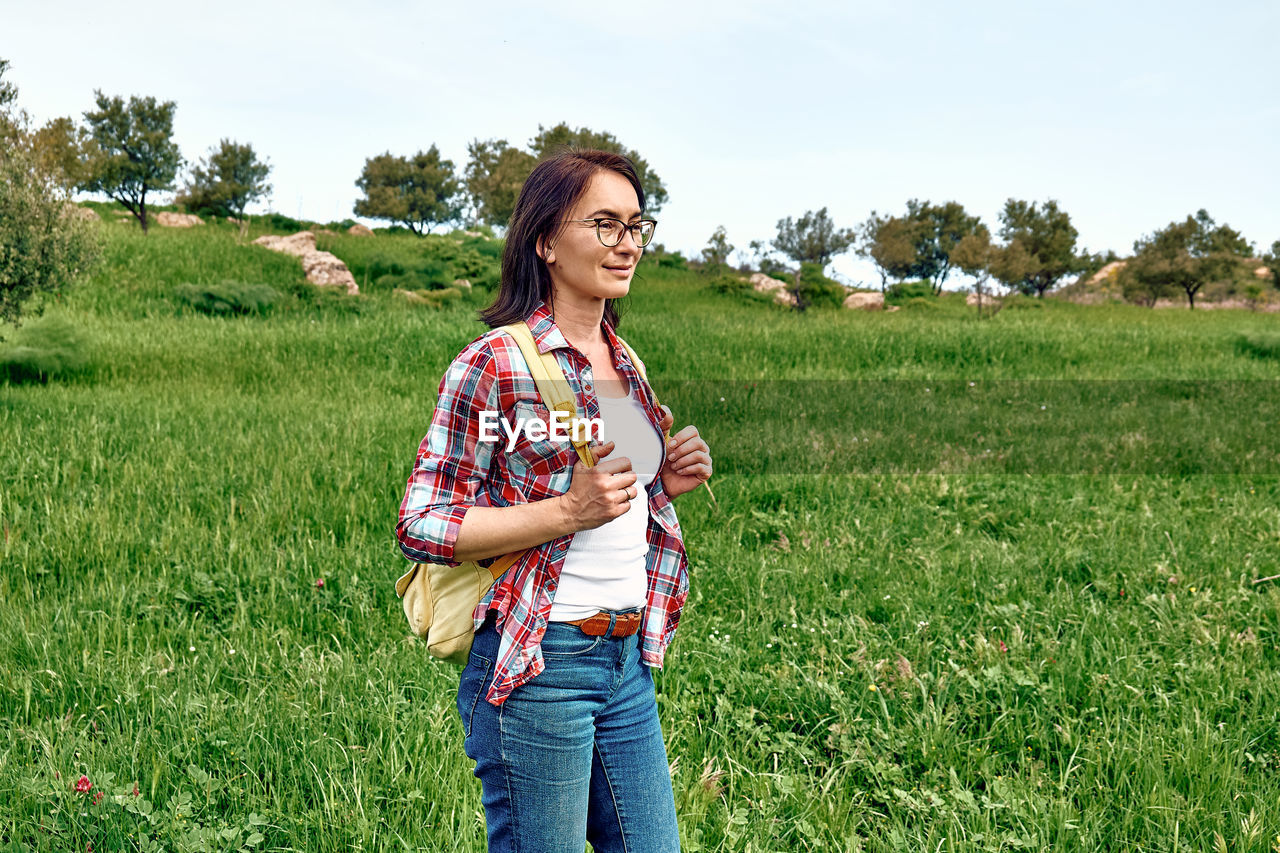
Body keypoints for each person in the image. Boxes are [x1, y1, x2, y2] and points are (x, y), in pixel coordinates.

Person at [396, 148, 712, 852]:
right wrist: (567, 510)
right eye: (604, 223)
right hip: (542, 661)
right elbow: (422, 521)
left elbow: (617, 492)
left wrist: (664, 480)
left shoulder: (622, 360)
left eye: (636, 225)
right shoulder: (494, 363)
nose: (626, 242)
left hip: (627, 661)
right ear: (545, 240)